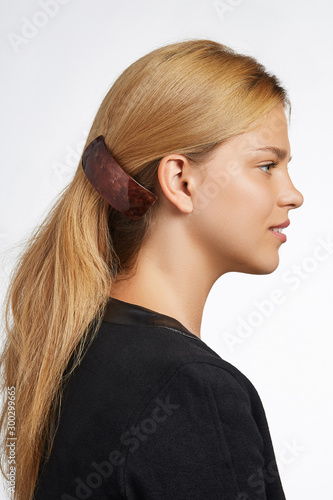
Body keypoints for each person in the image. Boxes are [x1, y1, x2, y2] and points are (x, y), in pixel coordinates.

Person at [0, 39, 303, 500]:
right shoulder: (190, 390)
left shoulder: (67, 350)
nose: (293, 194)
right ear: (181, 180)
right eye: (266, 165)